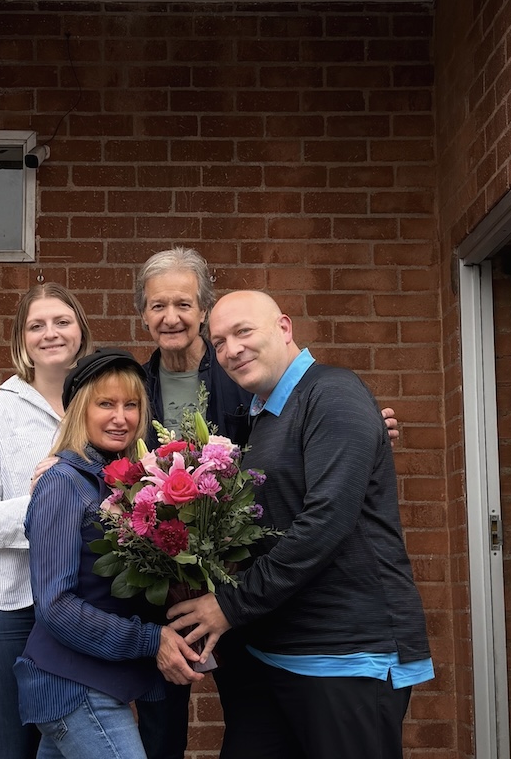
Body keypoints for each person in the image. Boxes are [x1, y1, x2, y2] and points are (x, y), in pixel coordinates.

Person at [134, 248, 401, 759]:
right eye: (158, 305)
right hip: (253, 620)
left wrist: (359, 423)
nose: (171, 317)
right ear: (143, 315)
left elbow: (323, 511)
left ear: (282, 328)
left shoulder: (296, 390)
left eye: (185, 304)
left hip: (306, 629)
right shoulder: (139, 386)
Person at [14, 349, 203, 759]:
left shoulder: (122, 486)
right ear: (81, 409)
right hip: (73, 684)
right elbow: (56, 606)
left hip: (96, 680)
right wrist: (151, 640)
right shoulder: (63, 484)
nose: (121, 417)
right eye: (106, 404)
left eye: (131, 405)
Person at [0, 283, 93, 759]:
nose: (50, 333)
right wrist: (46, 506)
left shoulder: (102, 406)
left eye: (62, 321)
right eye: (37, 325)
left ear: (81, 331)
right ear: (22, 340)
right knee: (6, 750)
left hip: (80, 601)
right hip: (2, 605)